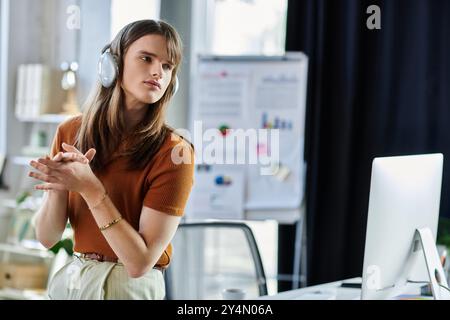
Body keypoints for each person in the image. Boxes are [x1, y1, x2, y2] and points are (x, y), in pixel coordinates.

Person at [28, 19, 194, 300]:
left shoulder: (175, 152)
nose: (158, 72)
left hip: (129, 287)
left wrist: (90, 188)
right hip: (74, 279)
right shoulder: (71, 132)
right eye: (146, 58)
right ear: (112, 65)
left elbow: (139, 263)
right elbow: (48, 238)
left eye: (167, 66)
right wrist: (60, 184)